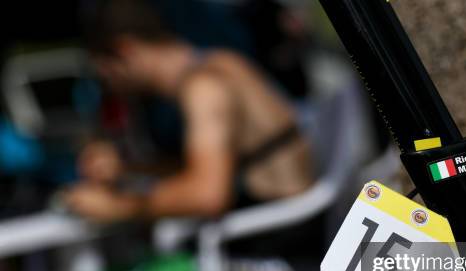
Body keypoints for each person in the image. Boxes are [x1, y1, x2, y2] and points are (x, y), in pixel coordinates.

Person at [65, 0, 314, 222]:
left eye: (105, 77)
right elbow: (206, 169)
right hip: (276, 217)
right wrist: (129, 169)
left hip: (283, 232)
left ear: (124, 51)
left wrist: (117, 208)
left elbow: (209, 195)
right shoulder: (216, 61)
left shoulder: (204, 86)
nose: (111, 89)